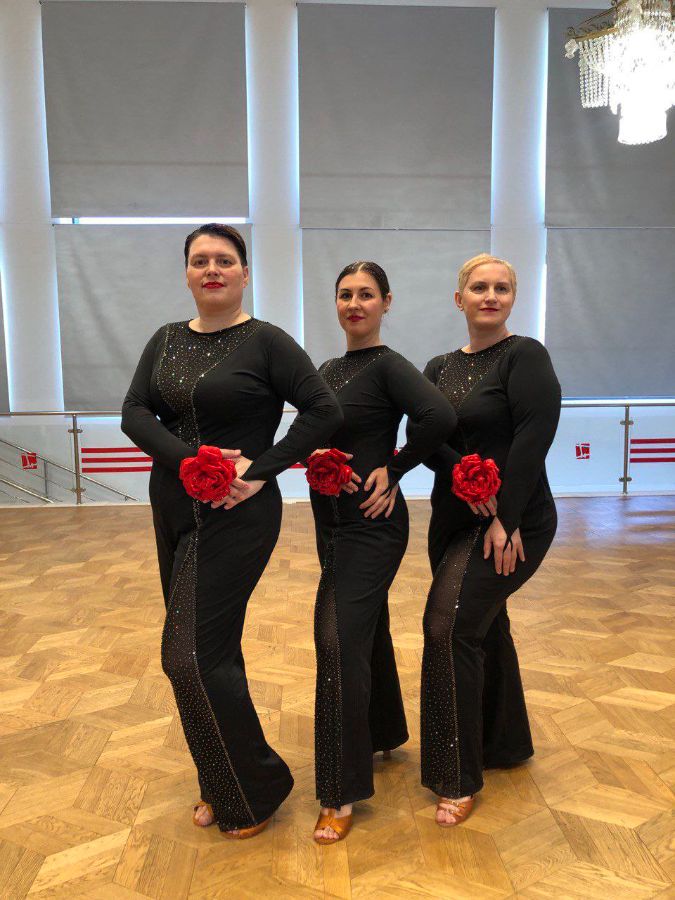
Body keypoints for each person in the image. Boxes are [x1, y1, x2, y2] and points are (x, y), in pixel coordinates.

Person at [121, 224, 342, 838]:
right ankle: (222, 779)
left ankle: (256, 788)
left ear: (245, 273)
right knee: (209, 651)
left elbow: (324, 409)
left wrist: (261, 469)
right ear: (187, 274)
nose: (211, 269)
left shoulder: (267, 341)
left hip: (236, 514)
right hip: (173, 506)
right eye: (200, 261)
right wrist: (186, 459)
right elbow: (134, 411)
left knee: (186, 653)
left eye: (224, 260)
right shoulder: (166, 338)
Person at [309, 261, 457, 843]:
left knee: (336, 637)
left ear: (386, 302)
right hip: (330, 521)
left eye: (366, 294)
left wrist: (394, 469)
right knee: (363, 628)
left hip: (373, 524)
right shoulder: (326, 370)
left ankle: (339, 790)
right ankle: (382, 731)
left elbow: (439, 416)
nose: (354, 303)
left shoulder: (389, 365)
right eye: (345, 294)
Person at [416, 253, 561, 826]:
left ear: (513, 299)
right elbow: (426, 436)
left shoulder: (525, 355)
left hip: (517, 520)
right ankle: (504, 742)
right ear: (460, 299)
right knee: (482, 622)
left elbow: (534, 435)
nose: (491, 296)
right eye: (479, 287)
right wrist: (462, 473)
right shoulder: (438, 367)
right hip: (453, 519)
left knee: (447, 625)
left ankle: (456, 774)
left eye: (502, 288)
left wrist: (508, 516)